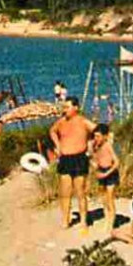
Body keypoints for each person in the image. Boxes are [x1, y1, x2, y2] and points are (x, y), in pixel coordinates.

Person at [49, 97, 94, 231]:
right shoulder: (61, 122)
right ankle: (65, 219)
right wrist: (57, 146)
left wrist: (91, 146)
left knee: (80, 191)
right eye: (64, 107)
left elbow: (99, 131)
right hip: (65, 159)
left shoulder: (83, 121)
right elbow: (52, 131)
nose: (65, 110)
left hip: (80, 158)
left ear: (76, 108)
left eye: (67, 107)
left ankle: (83, 220)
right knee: (65, 192)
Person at [91, 127, 120, 230]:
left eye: (98, 136)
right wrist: (95, 168)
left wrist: (107, 173)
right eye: (95, 136)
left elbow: (116, 162)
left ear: (104, 136)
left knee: (110, 197)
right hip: (101, 171)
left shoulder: (108, 146)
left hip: (110, 172)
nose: (96, 138)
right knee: (104, 199)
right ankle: (107, 218)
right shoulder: (95, 146)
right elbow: (95, 160)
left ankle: (111, 223)